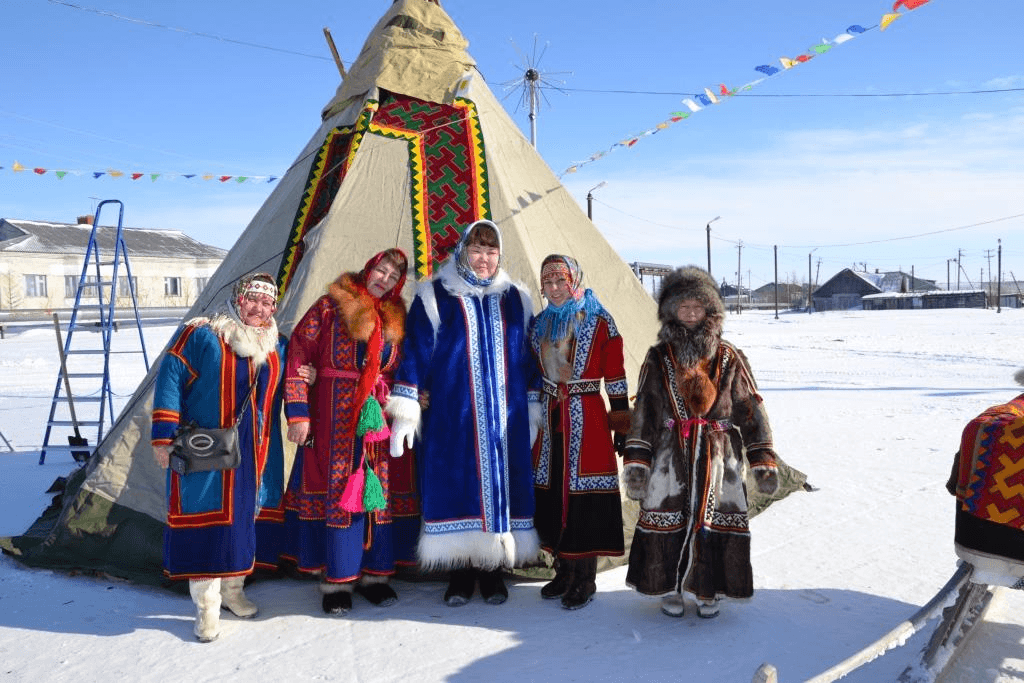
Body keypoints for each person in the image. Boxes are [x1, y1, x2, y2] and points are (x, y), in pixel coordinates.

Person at [388, 219, 542, 606]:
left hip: (507, 420)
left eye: (492, 252)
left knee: (502, 490)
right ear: (462, 252)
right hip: (454, 418)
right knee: (458, 488)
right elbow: (416, 353)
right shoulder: (435, 296)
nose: (485, 259)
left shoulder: (516, 298)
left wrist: (534, 405)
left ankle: (493, 574)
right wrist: (407, 406)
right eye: (477, 250)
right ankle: (459, 574)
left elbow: (529, 358)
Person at [622, 266, 779, 619]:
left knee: (715, 520)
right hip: (669, 455)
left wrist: (762, 458)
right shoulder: (658, 357)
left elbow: (749, 407)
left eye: (698, 307)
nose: (691, 314)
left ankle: (709, 590)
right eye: (683, 307)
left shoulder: (728, 356)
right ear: (670, 311)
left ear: (711, 311)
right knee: (670, 519)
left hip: (718, 454)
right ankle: (672, 587)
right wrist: (637, 461)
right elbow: (644, 409)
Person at [152, 272, 287, 642]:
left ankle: (233, 592)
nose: (258, 309)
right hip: (207, 446)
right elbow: (170, 377)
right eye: (252, 300)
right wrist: (163, 438)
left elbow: (293, 383)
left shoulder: (277, 344)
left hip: (258, 450)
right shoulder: (203, 334)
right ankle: (206, 607)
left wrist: (305, 375)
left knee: (243, 519)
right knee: (206, 520)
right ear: (238, 298)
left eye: (266, 303)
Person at [281, 249, 410, 615]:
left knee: (377, 491)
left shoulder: (395, 318)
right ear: (368, 268)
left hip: (377, 417)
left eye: (391, 276)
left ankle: (374, 576)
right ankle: (337, 580)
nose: (383, 279)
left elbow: (401, 367)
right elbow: (298, 353)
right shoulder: (329, 305)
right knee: (340, 490)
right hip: (332, 414)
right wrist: (298, 412)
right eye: (380, 270)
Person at [529, 255, 629, 610]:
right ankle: (562, 571)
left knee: (584, 497)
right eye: (549, 283)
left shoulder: (600, 321)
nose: (555, 289)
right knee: (554, 494)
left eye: (561, 281)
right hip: (549, 419)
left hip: (587, 420)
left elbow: (616, 374)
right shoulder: (538, 324)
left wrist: (620, 420)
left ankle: (584, 578)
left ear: (574, 282)